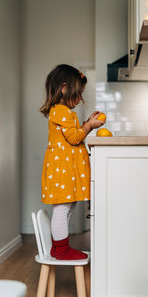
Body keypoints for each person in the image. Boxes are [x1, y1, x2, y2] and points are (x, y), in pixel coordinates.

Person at [40, 64, 105, 260]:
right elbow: (75, 138)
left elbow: (73, 135)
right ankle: (61, 249)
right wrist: (89, 126)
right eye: (77, 94)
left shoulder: (64, 112)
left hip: (65, 170)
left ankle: (59, 246)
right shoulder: (60, 110)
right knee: (62, 208)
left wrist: (87, 124)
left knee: (68, 207)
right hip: (62, 171)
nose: (79, 100)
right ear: (64, 88)